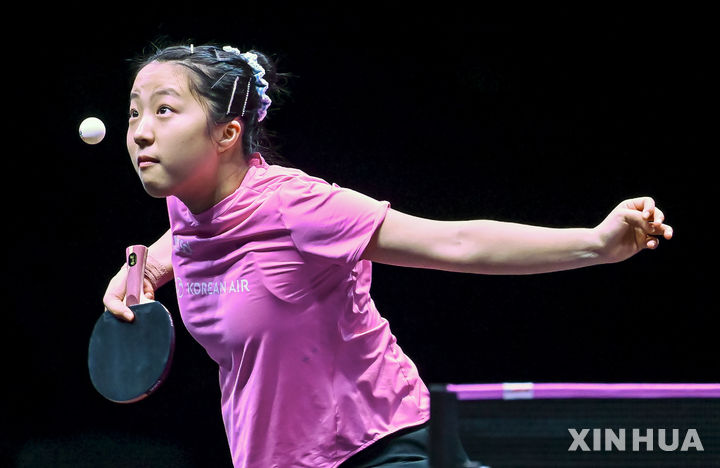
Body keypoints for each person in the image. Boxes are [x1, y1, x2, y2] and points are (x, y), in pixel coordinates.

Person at [103, 43, 673, 468]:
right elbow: (186, 241)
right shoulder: (189, 211)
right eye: (133, 113)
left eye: (164, 110)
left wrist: (597, 243)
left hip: (378, 448)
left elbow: (455, 242)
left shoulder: (298, 207)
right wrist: (139, 272)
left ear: (227, 134)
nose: (140, 133)